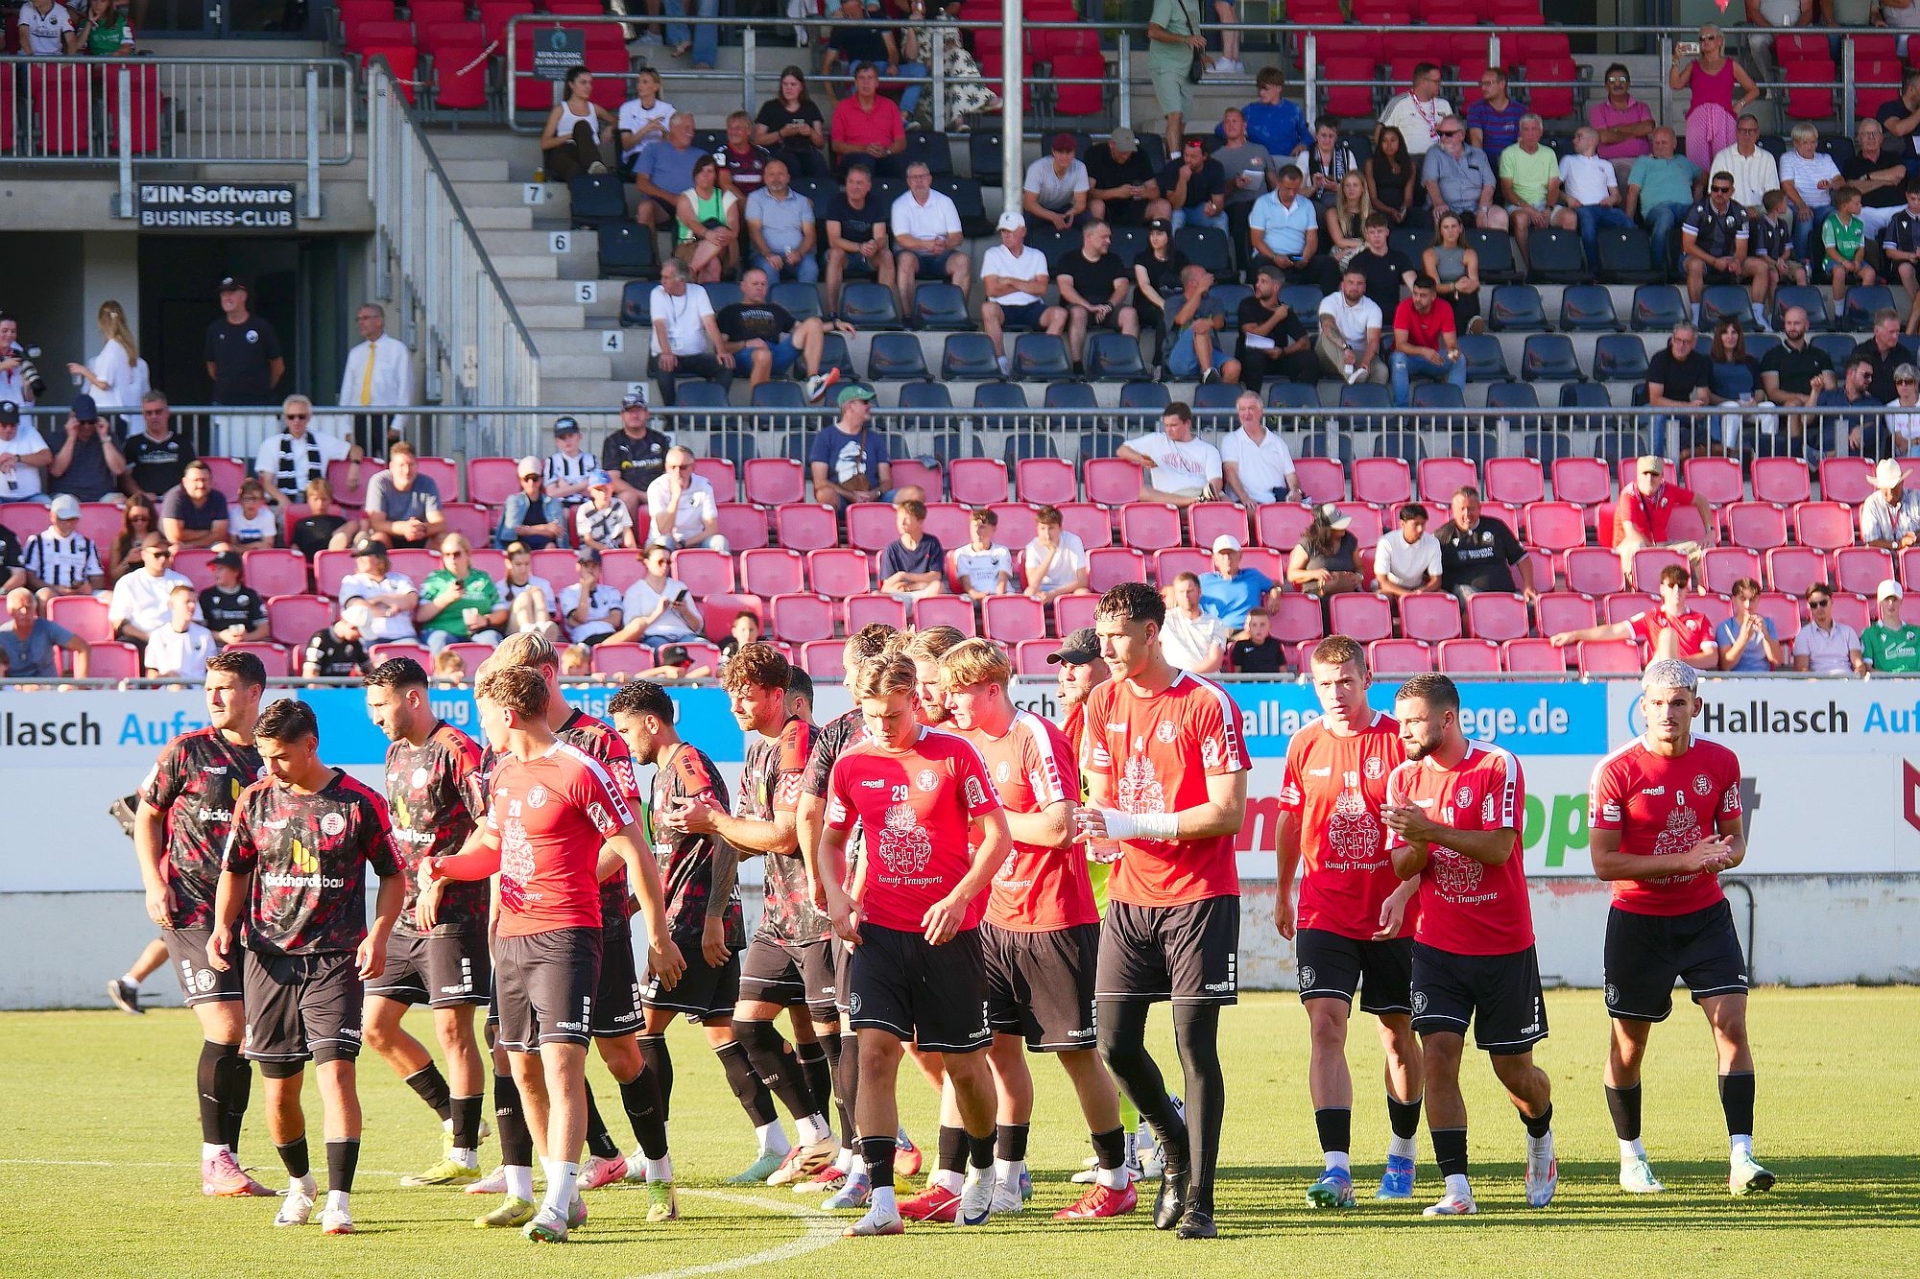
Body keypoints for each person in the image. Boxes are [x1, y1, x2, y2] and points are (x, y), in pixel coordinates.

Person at [424, 665, 678, 1241]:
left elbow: (636, 850)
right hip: (512, 938)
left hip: (568, 934)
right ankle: (563, 1193)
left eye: (484, 715)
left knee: (566, 1066)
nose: (480, 726)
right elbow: (493, 849)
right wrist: (444, 867)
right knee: (522, 1067)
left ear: (508, 714)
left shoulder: (579, 770)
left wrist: (658, 935)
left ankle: (560, 1204)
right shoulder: (502, 773)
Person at [936, 638, 1136, 1220]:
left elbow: (1059, 828)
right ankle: (1006, 1179)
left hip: (1054, 921)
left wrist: (990, 822)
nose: (950, 703)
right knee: (997, 1053)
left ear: (991, 689)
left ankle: (1115, 1179)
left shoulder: (1036, 737)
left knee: (1077, 1055)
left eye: (959, 692)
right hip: (993, 923)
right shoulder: (965, 744)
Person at [815, 649, 1013, 1237]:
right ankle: (881, 1201)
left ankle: (982, 1167)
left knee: (965, 1069)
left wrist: (960, 898)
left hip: (946, 935)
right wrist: (838, 896)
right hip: (877, 934)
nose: (882, 726)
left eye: (892, 715)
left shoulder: (954, 754)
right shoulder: (851, 763)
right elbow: (830, 841)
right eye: (871, 715)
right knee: (874, 1054)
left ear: (914, 702)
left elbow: (997, 837)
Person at [1073, 581, 1249, 1239]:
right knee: (1115, 1044)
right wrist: (1098, 826)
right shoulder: (1101, 700)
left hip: (1199, 898)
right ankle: (1174, 1144)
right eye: (1101, 635)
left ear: (1152, 632)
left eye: (1117, 635)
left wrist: (1133, 822)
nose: (1106, 647)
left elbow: (1228, 812)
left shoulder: (1207, 703)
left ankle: (1201, 1199)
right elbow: (1103, 796)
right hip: (1130, 896)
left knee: (1194, 1047)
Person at [610, 678, 821, 1189]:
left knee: (644, 1032)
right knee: (724, 1032)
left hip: (694, 924)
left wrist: (711, 918)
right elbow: (671, 858)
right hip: (690, 917)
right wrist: (635, 904)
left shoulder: (689, 767)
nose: (624, 741)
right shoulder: (664, 775)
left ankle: (651, 1149)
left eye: (626, 730)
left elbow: (723, 832)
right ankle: (778, 1139)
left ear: (652, 723)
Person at [208, 697, 405, 1236]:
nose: (270, 766)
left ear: (311, 745)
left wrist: (379, 936)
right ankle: (301, 1184)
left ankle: (339, 1200)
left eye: (281, 756)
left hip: (335, 958)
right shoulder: (254, 800)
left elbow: (393, 875)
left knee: (336, 1074)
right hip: (267, 960)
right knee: (279, 1090)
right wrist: (223, 925)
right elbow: (236, 869)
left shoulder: (359, 801)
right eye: (265, 756)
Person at [1589, 658, 1774, 1198]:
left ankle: (1741, 1156)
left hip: (1704, 917)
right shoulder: (1616, 771)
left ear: (1696, 706)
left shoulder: (1721, 762)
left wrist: (1719, 857)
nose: (1667, 712)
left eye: (1677, 702)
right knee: (1629, 1046)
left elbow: (1735, 841)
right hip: (1638, 922)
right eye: (1656, 703)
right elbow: (1604, 862)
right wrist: (1685, 859)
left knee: (1731, 1025)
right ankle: (1631, 1156)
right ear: (1642, 707)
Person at [1384, 673, 1555, 1217]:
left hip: (1504, 946)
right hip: (1437, 946)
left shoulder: (1497, 766)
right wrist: (1416, 840)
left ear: (1447, 719)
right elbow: (1403, 865)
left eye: (1413, 721)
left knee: (1515, 1073)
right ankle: (1457, 1187)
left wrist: (1429, 829)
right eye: (1401, 721)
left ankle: (1540, 1136)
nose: (1403, 732)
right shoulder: (1402, 778)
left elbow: (1500, 848)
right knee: (1438, 1058)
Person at [672, 644, 841, 1188]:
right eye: (731, 696)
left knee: (835, 1041)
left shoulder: (798, 741)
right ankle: (816, 1136)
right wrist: (715, 902)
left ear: (776, 695)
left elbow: (785, 835)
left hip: (819, 913)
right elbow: (744, 834)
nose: (736, 706)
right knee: (748, 1023)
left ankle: (868, 1154)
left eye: (745, 696)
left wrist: (716, 822)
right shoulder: (758, 751)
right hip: (778, 916)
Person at [1275, 634, 1423, 1207]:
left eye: (1345, 681)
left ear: (1366, 679)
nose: (1335, 693)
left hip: (1394, 916)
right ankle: (1336, 1169)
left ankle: (1402, 1155)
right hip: (1324, 911)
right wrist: (1283, 891)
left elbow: (1428, 832)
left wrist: (1407, 890)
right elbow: (1290, 821)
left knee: (1396, 1036)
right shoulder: (1304, 743)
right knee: (1325, 1026)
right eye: (1324, 684)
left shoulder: (1399, 740)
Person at [131, 650, 271, 1196]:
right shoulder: (187, 751)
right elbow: (147, 815)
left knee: (251, 1037)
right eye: (208, 686)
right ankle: (215, 1160)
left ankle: (227, 1159)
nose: (212, 696)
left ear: (254, 693)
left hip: (256, 914)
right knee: (228, 1027)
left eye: (224, 687)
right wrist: (153, 882)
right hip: (190, 907)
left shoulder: (274, 754)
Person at [356, 658, 493, 1185]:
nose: (374, 717)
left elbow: (490, 825)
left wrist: (445, 876)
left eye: (380, 705)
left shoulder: (457, 750)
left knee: (452, 1030)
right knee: (376, 1026)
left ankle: (463, 1154)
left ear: (412, 698)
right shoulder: (394, 752)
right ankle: (456, 1118)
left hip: (455, 914)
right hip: (406, 916)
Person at [1548, 563, 1720, 670]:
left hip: (1689, 673)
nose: (1677, 591)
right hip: (1660, 671)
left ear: (1687, 589)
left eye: (1681, 586)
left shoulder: (1700, 619)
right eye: (1672, 585)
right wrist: (1574, 634)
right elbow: (1613, 631)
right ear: (1662, 589)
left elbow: (1712, 658)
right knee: (1664, 645)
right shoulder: (1651, 617)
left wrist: (1677, 662)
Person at [716, 265, 846, 401]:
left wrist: (835, 324)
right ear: (743, 286)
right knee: (763, 355)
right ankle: (760, 404)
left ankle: (813, 381)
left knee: (814, 322)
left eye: (763, 284)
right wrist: (746, 344)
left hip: (776, 355)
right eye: (755, 284)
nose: (760, 288)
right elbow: (720, 348)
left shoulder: (775, 309)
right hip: (745, 356)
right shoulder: (730, 311)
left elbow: (806, 329)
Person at [1047, 220, 1140, 369]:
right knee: (1078, 313)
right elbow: (1065, 288)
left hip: (1106, 309)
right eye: (1104, 237)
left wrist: (1109, 305)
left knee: (1129, 313)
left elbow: (1122, 287)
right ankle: (1077, 365)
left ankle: (1126, 365)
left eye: (1109, 237)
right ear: (1088, 237)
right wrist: (1089, 306)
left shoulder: (1114, 260)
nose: (1108, 241)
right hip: (1080, 308)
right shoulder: (1068, 259)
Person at [204, 278, 285, 439]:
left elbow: (278, 366)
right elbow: (211, 366)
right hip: (223, 404)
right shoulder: (215, 329)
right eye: (223, 294)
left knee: (260, 451)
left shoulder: (262, 327)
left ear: (244, 296)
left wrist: (262, 388)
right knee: (224, 453)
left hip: (259, 405)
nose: (227, 298)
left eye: (232, 293)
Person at [1671, 25, 1758, 173]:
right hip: (1698, 118)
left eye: (1710, 38)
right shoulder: (1694, 65)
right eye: (1701, 39)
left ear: (1720, 41)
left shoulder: (1731, 65)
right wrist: (1676, 60)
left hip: (1723, 117)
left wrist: (1739, 104)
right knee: (1697, 167)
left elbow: (1754, 90)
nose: (1705, 41)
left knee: (1725, 166)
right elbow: (1675, 84)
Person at [254, 395, 364, 511]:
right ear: (285, 418)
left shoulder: (322, 440)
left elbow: (356, 450)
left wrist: (354, 467)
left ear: (309, 417)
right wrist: (283, 500)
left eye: (301, 416)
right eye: (291, 417)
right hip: (280, 502)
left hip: (315, 503)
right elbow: (267, 482)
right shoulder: (270, 444)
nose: (296, 421)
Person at [1615, 453, 1714, 581]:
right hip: (1629, 545)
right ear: (1638, 475)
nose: (1649, 479)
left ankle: (1705, 592)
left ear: (1662, 476)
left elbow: (1701, 500)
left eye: (1654, 474)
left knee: (1705, 549)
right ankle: (1638, 591)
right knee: (1637, 547)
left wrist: (1710, 531)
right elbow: (1631, 532)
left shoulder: (1667, 490)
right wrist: (1653, 552)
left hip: (1661, 544)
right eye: (1645, 474)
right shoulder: (1629, 495)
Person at [649, 259, 732, 407]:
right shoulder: (657, 293)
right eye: (662, 276)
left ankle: (715, 407)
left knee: (726, 364)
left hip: (695, 356)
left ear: (680, 279)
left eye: (667, 278)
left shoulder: (698, 291)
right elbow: (660, 325)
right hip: (669, 355)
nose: (662, 281)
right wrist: (667, 352)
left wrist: (721, 351)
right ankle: (671, 413)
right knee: (664, 365)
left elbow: (709, 323)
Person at [981, 212, 1054, 378]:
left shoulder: (1037, 255)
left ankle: (1043, 359)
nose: (1006, 235)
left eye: (1010, 231)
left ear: (1023, 231)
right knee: (988, 308)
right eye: (1003, 231)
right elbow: (991, 290)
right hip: (1003, 307)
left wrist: (1010, 281)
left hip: (1032, 307)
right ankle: (1001, 361)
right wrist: (1026, 284)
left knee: (1060, 314)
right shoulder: (992, 253)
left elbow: (1041, 289)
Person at [336, 302, 415, 455]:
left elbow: (405, 388)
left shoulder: (397, 350)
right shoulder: (356, 353)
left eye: (365, 318)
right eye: (358, 319)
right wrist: (345, 427)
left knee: (392, 463)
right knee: (363, 463)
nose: (360, 323)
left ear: (379, 320)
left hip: (387, 416)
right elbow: (347, 391)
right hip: (360, 417)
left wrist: (398, 424)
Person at [1757, 306, 1836, 455]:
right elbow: (1772, 392)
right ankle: (1798, 456)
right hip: (1785, 410)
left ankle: (1800, 457)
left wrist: (1812, 400)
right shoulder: (1772, 356)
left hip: (1817, 406)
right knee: (1793, 405)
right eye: (1788, 323)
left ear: (1807, 325)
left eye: (1797, 323)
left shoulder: (1820, 355)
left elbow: (1831, 388)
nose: (1792, 327)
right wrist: (1802, 399)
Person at [1438, 486, 1537, 602]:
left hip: (1506, 594)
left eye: (1471, 509)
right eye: (1462, 509)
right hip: (1469, 595)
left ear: (1479, 508)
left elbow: (1522, 558)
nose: (1467, 514)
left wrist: (1529, 586)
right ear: (1453, 510)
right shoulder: (1443, 535)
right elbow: (1430, 571)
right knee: (1472, 599)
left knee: (1536, 604)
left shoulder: (1496, 527)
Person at [824, 163, 896, 319]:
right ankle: (832, 312)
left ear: (868, 186)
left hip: (868, 255)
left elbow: (881, 237)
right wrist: (859, 247)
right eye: (851, 182)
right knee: (835, 254)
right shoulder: (836, 202)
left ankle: (883, 310)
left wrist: (874, 245)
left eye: (859, 183)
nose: (854, 187)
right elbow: (833, 240)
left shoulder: (876, 203)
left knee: (886, 255)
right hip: (845, 255)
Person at [1119, 402, 1224, 506]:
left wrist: (1210, 492)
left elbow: (1216, 479)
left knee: (1225, 499)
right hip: (1169, 497)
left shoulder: (1208, 449)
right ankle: (1190, 501)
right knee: (1141, 491)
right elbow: (1122, 450)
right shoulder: (1156, 440)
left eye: (1173, 425)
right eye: (1166, 425)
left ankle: (1195, 501)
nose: (1169, 430)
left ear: (1187, 423)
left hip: (1200, 493)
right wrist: (1140, 458)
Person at [1561, 126, 1634, 272]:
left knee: (1628, 223)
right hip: (1582, 207)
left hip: (1604, 207)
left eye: (1579, 136)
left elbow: (1617, 195)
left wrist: (1611, 200)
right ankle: (1593, 270)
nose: (1574, 140)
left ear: (1592, 140)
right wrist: (1567, 198)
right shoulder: (1568, 160)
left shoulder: (1605, 165)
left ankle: (1630, 266)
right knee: (1589, 227)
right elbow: (1554, 188)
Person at [415, 534, 506, 652]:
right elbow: (420, 615)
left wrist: (486, 620)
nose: (452, 559)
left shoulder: (482, 578)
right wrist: (447, 598)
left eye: (457, 554)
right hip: (442, 630)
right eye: (447, 555)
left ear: (467, 554)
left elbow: (502, 611)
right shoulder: (435, 579)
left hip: (477, 633)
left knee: (491, 637)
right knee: (439, 639)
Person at [1626, 128, 1704, 265]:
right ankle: (1657, 267)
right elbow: (1633, 191)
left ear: (1674, 144)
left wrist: (1699, 188)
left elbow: (1704, 175)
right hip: (1657, 209)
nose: (1660, 146)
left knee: (1702, 216)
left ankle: (1696, 266)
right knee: (1666, 215)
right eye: (1656, 143)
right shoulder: (1644, 162)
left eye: (1664, 143)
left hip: (1685, 208)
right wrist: (1628, 222)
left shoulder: (1683, 161)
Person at [1234, 267, 1319, 391]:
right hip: (1251, 357)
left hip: (1278, 357)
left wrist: (1283, 351)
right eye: (1257, 281)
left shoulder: (1284, 310)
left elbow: (1305, 342)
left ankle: (1303, 399)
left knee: (1310, 359)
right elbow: (1251, 336)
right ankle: (1253, 398)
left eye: (1263, 282)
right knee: (1255, 357)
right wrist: (1276, 317)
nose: (1257, 285)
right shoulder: (1248, 304)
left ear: (1275, 287)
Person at [809, 384, 894, 507]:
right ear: (850, 406)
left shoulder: (876, 438)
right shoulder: (825, 437)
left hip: (874, 497)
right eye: (865, 402)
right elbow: (820, 482)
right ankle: (835, 521)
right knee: (825, 494)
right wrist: (851, 496)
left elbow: (887, 481)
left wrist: (874, 494)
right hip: (841, 498)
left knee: (913, 493)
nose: (870, 406)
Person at [1646, 323, 1721, 459]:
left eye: (1686, 342)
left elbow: (1704, 394)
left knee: (1712, 414)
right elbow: (1655, 400)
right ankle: (1656, 463)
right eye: (1678, 340)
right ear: (1672, 340)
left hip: (1682, 409)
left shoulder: (1700, 361)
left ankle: (1717, 457)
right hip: (1653, 408)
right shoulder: (1659, 359)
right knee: (1658, 416)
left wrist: (1700, 405)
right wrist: (1688, 407)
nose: (1681, 345)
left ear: (1694, 344)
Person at [608, 542, 702, 649]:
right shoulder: (635, 591)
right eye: (660, 561)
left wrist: (685, 611)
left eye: (668, 562)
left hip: (684, 635)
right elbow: (631, 628)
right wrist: (657, 612)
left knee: (703, 647)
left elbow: (697, 627)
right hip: (654, 636)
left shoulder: (679, 586)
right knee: (666, 651)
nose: (665, 565)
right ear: (647, 562)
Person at [1390, 275, 1466, 407]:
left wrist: (1453, 352)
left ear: (1433, 296)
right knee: (1398, 359)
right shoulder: (1404, 307)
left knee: (1459, 359)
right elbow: (1400, 345)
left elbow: (1451, 343)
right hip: (1409, 359)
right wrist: (1423, 351)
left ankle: (1453, 407)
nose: (1417, 299)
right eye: (1415, 294)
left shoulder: (1444, 307)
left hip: (1433, 358)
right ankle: (1401, 411)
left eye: (1423, 295)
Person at [110, 532, 195, 649]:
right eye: (157, 555)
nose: (162, 559)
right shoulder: (127, 582)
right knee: (125, 645)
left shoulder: (181, 581)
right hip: (141, 639)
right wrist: (151, 638)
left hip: (177, 640)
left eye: (166, 554)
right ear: (143, 555)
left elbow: (196, 619)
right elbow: (119, 623)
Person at [1162, 263, 1243, 385]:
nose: (1210, 277)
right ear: (1193, 283)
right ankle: (1207, 373)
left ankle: (1217, 391)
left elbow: (1220, 322)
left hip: (1210, 352)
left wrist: (1209, 322)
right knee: (1200, 327)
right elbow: (1181, 320)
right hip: (1181, 357)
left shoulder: (1214, 301)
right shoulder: (1172, 302)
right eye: (1204, 275)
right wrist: (1199, 291)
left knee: (1233, 367)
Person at [1145, 0, 1208, 156]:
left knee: (1183, 120)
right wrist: (1184, 39)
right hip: (1165, 65)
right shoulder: (1166, 2)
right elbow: (1153, 31)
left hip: (1187, 67)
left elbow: (1191, 30)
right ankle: (1175, 160)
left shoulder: (1194, 2)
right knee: (1175, 114)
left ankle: (1176, 155)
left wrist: (1200, 56)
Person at [1422, 116, 1505, 233]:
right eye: (1440, 134)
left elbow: (1489, 184)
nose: (1443, 138)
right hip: (1447, 207)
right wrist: (1439, 203)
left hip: (1475, 207)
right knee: (1441, 217)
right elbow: (1430, 181)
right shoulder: (1434, 152)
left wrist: (1483, 209)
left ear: (1462, 135)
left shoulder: (1478, 154)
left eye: (1449, 134)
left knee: (1499, 216)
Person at [1219, 390, 1302, 507]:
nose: (1247, 413)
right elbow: (1230, 472)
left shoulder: (1278, 442)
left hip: (1278, 501)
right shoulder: (1231, 440)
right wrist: (1244, 497)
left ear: (1261, 411)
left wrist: (1295, 491)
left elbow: (1290, 474)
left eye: (1251, 408)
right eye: (1242, 409)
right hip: (1247, 503)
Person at [1498, 114, 1562, 265]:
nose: (1530, 133)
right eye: (1526, 129)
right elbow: (1507, 190)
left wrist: (1548, 208)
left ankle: (1562, 264)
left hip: (1544, 202)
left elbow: (1554, 187)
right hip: (1519, 204)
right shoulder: (1509, 153)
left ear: (1541, 132)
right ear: (1520, 132)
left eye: (1534, 129)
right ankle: (1530, 265)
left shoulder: (1549, 153)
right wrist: (1529, 209)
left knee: (1570, 218)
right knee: (1521, 219)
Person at [602, 390, 672, 522]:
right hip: (629, 494)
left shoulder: (660, 439)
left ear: (647, 414)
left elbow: (671, 472)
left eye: (638, 411)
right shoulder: (613, 441)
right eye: (630, 411)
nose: (634, 415)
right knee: (628, 498)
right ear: (622, 415)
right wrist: (642, 496)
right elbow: (612, 480)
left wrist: (658, 494)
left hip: (658, 492)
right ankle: (631, 536)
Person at [42, 395, 125, 506]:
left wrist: (104, 438)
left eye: (91, 421)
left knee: (120, 502)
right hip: (67, 494)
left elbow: (119, 470)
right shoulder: (57, 437)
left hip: (101, 495)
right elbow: (56, 471)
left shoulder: (107, 435)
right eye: (82, 422)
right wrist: (71, 437)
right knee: (64, 504)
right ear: (72, 417)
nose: (87, 426)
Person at [23, 493, 105, 605]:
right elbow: (29, 576)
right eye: (64, 519)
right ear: (52, 516)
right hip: (49, 591)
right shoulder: (37, 541)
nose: (68, 524)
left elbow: (98, 577)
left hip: (80, 593)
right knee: (45, 596)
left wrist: (88, 587)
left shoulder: (88, 544)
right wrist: (54, 588)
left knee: (109, 597)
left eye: (73, 519)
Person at [746, 159, 819, 283]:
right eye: (771, 174)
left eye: (780, 174)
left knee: (810, 268)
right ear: (765, 178)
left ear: (788, 177)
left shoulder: (802, 201)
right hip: (765, 255)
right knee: (768, 269)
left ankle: (806, 297)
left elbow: (810, 234)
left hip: (798, 254)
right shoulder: (755, 198)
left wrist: (799, 253)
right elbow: (754, 231)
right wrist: (769, 254)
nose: (776, 178)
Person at [829, 63, 907, 179]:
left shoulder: (890, 106)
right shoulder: (842, 107)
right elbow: (836, 145)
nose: (866, 83)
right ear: (856, 83)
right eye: (861, 78)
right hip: (854, 158)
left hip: (884, 155)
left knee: (901, 163)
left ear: (877, 82)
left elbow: (901, 142)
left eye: (870, 78)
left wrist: (886, 151)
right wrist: (864, 149)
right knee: (865, 161)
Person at [363, 442, 445, 551]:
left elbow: (439, 524)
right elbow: (376, 523)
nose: (407, 471)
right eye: (401, 465)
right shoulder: (379, 482)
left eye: (411, 465)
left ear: (417, 465)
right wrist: (404, 528)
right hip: (390, 535)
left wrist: (421, 528)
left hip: (420, 535)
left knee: (445, 540)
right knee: (378, 539)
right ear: (392, 467)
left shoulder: (428, 483)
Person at [673, 154, 741, 284]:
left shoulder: (726, 197)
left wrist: (719, 235)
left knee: (722, 231)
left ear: (716, 175)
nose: (705, 175)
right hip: (689, 245)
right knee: (713, 264)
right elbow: (691, 222)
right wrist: (707, 234)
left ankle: (689, 272)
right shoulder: (685, 198)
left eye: (710, 171)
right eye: (701, 171)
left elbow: (734, 229)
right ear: (695, 175)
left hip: (724, 249)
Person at [644, 445, 726, 552]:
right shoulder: (657, 487)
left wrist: (683, 544)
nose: (677, 472)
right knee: (664, 542)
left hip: (694, 540)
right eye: (673, 467)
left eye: (683, 467)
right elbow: (664, 530)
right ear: (666, 467)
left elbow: (711, 529)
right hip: (662, 541)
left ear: (693, 467)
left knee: (719, 542)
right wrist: (676, 497)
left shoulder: (704, 485)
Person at [539, 66, 615, 182]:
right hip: (564, 150)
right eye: (583, 83)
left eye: (590, 83)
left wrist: (610, 127)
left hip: (586, 152)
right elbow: (544, 143)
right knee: (575, 170)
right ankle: (594, 167)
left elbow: (618, 122)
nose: (588, 87)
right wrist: (571, 135)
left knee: (582, 126)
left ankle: (594, 166)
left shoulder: (594, 108)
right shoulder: (560, 109)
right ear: (571, 85)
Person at [1780, 122, 1842, 263]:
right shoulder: (1788, 158)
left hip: (1823, 207)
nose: (1810, 146)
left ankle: (1833, 262)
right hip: (1797, 206)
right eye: (1805, 143)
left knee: (1837, 217)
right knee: (1805, 219)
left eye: (1813, 142)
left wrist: (1831, 185)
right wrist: (1802, 206)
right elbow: (1787, 186)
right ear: (1796, 143)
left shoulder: (1825, 158)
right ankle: (1802, 262)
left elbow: (1840, 181)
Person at [1317, 267, 1387, 387]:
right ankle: (1352, 376)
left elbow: (1373, 340)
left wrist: (1365, 362)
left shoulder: (1373, 308)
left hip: (1358, 353)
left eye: (1359, 284)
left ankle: (1370, 397)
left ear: (1364, 287)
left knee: (1381, 370)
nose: (1355, 287)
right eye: (1350, 282)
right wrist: (1346, 348)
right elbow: (1328, 325)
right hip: (1330, 353)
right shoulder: (1330, 301)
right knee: (1326, 335)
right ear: (1342, 285)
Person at [339, 539, 418, 645]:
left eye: (365, 555)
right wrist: (388, 611)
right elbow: (356, 607)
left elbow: (410, 602)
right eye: (358, 556)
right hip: (369, 636)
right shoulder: (352, 580)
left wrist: (379, 598)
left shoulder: (400, 579)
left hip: (403, 635)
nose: (360, 559)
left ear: (380, 558)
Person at [755, 66, 829, 179]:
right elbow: (758, 139)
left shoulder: (810, 107)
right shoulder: (770, 107)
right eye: (785, 84)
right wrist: (781, 133)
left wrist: (810, 132)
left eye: (793, 84)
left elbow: (821, 144)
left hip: (805, 150)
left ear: (801, 87)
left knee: (818, 162)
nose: (788, 88)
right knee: (792, 162)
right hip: (778, 151)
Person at [123, 392, 197, 503]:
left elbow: (192, 475)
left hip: (178, 501)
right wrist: (141, 495)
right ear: (143, 415)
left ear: (167, 413)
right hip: (142, 504)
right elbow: (125, 478)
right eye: (149, 413)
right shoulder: (132, 443)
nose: (154, 417)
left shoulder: (183, 442)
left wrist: (174, 493)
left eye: (158, 412)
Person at [0, 584, 88, 677]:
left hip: (47, 684)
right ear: (10, 611)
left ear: (34, 608)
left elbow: (83, 647)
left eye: (28, 607)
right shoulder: (2, 635)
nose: (25, 612)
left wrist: (81, 682)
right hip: (13, 685)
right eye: (19, 608)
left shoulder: (47, 627)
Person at [1590, 63, 1656, 186]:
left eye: (1622, 80)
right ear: (1606, 86)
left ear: (1629, 83)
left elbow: (1648, 127)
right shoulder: (1598, 110)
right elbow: (1605, 137)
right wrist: (1636, 131)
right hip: (1612, 162)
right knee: (1623, 174)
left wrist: (1615, 130)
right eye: (1612, 81)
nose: (1617, 84)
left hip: (1643, 159)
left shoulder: (1642, 107)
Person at [1424, 211, 1485, 334]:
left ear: (1460, 229)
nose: (1450, 231)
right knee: (1458, 291)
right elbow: (1434, 286)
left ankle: (1472, 323)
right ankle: (1469, 325)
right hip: (1441, 296)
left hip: (1462, 295)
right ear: (1440, 231)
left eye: (1454, 226)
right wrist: (1454, 286)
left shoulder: (1469, 253)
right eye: (1446, 227)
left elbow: (1475, 282)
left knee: (1464, 288)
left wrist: (1464, 285)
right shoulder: (1430, 253)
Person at [877, 496, 947, 603]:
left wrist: (904, 576)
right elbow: (886, 586)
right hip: (899, 596)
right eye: (899, 518)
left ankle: (921, 610)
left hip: (923, 594)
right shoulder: (892, 549)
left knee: (938, 586)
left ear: (920, 521)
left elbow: (936, 576)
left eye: (906, 518)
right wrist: (918, 583)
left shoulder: (932, 543)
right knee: (876, 595)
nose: (902, 523)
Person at [1087, 127, 1161, 227]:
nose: (1125, 156)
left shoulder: (1140, 155)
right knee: (1097, 205)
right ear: (1111, 144)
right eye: (1122, 152)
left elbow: (1155, 191)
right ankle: (1098, 235)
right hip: (1105, 206)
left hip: (1134, 207)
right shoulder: (1095, 154)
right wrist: (1116, 193)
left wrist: (1144, 192)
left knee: (1162, 206)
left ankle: (1159, 236)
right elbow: (1088, 193)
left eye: (1129, 151)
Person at [1377, 61, 1452, 159]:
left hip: (1440, 158)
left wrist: (1446, 128)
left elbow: (1456, 134)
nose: (1440, 85)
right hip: (1408, 159)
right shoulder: (1399, 102)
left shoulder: (1444, 104)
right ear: (1424, 82)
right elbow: (1380, 130)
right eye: (1436, 81)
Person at [1288, 504, 1364, 601]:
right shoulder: (1308, 543)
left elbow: (1360, 568)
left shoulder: (1349, 540)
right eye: (1339, 525)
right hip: (1317, 595)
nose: (1344, 527)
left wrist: (1358, 576)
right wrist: (1314, 574)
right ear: (1327, 529)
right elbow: (1292, 575)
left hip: (1346, 596)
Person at [1351, 213, 1417, 321]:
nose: (1376, 236)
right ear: (1366, 235)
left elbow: (1414, 286)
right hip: (1366, 314)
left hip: (1394, 314)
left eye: (1380, 231)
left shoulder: (1400, 258)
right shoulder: (1358, 261)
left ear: (1387, 232)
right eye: (1372, 232)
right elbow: (1352, 290)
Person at [1132, 217, 1191, 338]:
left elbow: (1188, 281)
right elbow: (1144, 286)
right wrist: (1164, 305)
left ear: (1168, 236)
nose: (1154, 238)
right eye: (1152, 234)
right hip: (1149, 304)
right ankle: (1161, 351)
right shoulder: (1142, 258)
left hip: (1175, 301)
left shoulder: (1180, 258)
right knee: (1165, 317)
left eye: (1159, 234)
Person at [1821, 185, 1878, 308]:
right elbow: (1830, 250)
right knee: (1839, 272)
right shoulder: (1830, 222)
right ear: (1844, 206)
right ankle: (1839, 311)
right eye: (1857, 203)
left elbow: (1860, 248)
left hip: (1853, 260)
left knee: (1870, 273)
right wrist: (1844, 262)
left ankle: (1861, 308)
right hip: (1833, 260)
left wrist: (1857, 261)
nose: (1860, 205)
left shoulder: (1859, 224)